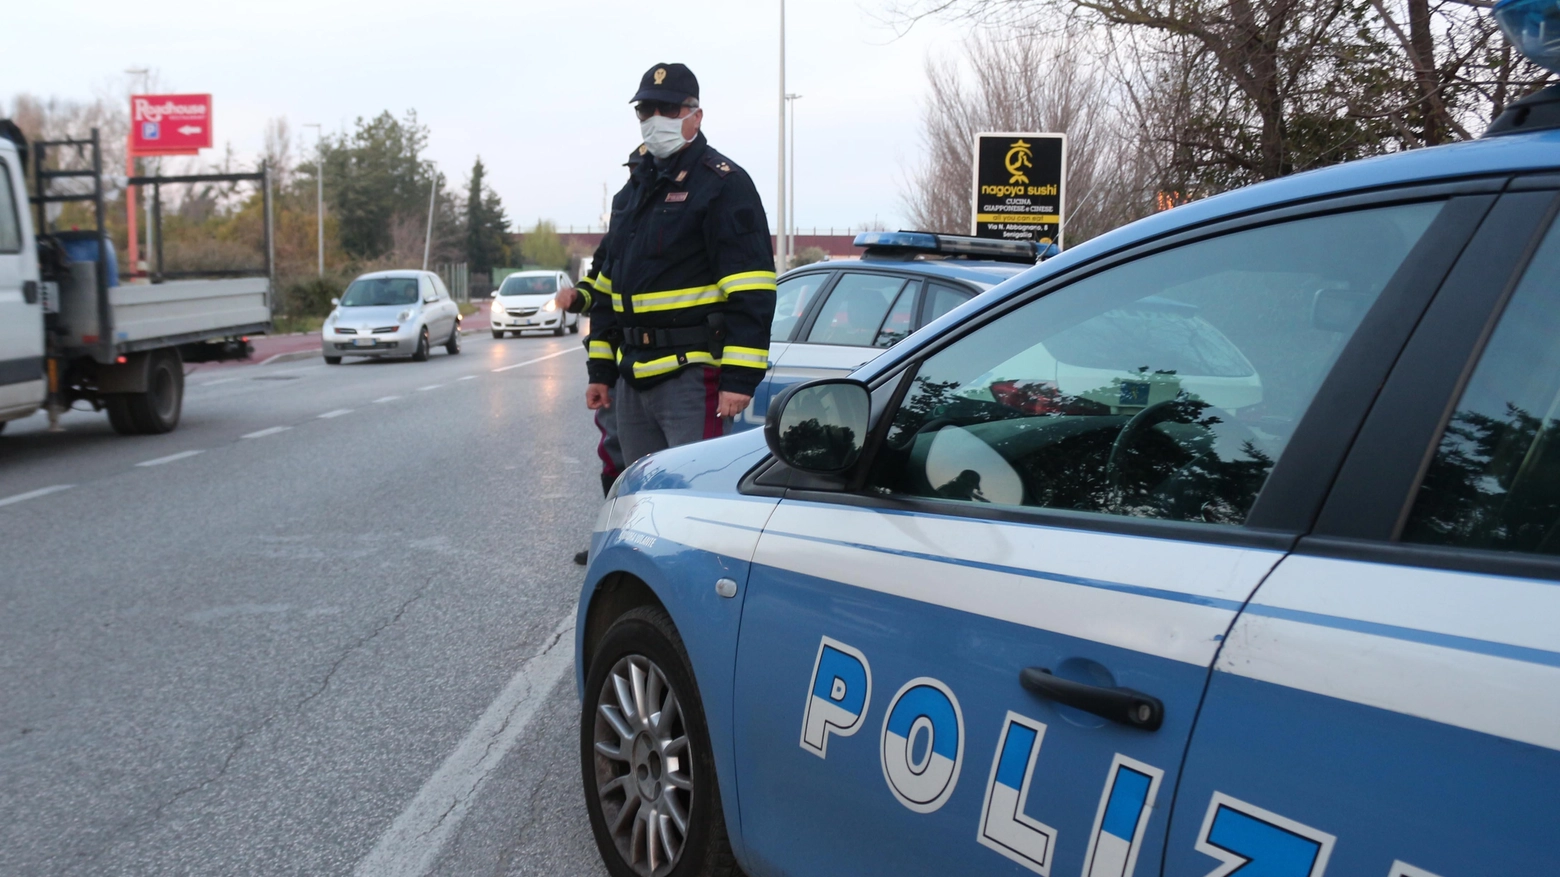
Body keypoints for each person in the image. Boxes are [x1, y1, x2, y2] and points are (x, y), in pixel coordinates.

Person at [584, 63, 777, 468]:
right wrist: (601, 370)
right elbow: (607, 290)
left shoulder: (723, 185)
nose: (656, 121)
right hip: (633, 376)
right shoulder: (632, 193)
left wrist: (738, 380)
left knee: (691, 494)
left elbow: (752, 289)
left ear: (696, 116)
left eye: (669, 111)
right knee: (639, 494)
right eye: (646, 111)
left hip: (692, 377)